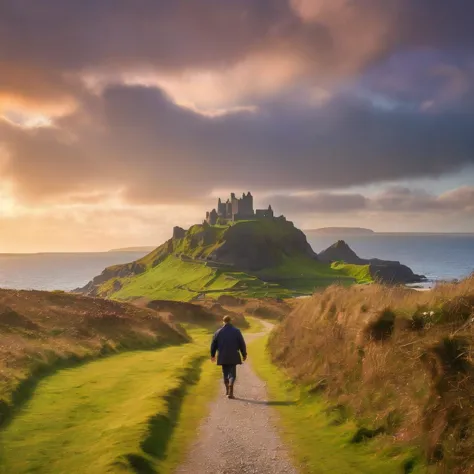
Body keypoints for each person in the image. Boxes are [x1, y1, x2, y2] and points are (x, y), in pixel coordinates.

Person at [210, 315, 247, 399]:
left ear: (223, 322)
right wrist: (244, 354)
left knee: (225, 373)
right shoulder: (237, 331)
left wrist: (212, 355)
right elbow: (242, 343)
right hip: (233, 355)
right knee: (232, 374)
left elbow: (213, 344)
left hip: (222, 355)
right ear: (231, 321)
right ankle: (230, 388)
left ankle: (227, 390)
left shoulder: (218, 332)